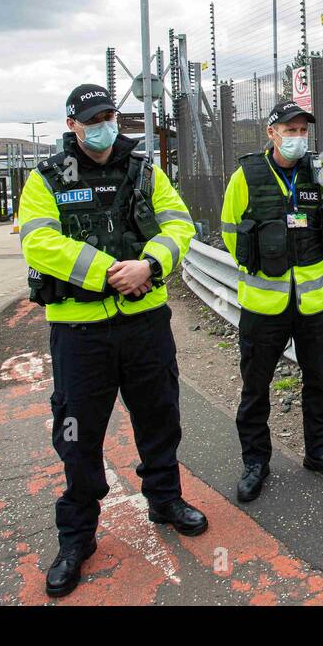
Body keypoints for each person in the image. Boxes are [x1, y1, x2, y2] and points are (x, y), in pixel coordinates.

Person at [17, 83, 204, 598]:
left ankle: (165, 500)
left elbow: (179, 225)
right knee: (77, 438)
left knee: (160, 416)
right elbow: (38, 241)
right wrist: (107, 272)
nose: (103, 125)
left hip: (144, 324)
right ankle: (77, 538)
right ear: (73, 125)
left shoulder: (145, 170)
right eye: (92, 118)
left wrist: (150, 263)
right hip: (80, 332)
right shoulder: (46, 178)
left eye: (110, 116)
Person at [220, 101, 323, 503]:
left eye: (301, 130)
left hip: (313, 304)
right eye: (289, 130)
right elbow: (229, 231)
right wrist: (265, 262)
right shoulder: (246, 175)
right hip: (264, 306)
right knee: (256, 387)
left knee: (318, 382)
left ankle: (319, 452)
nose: (297, 137)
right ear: (271, 132)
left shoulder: (320, 172)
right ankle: (256, 462)